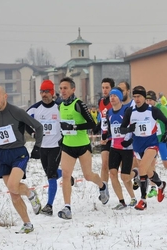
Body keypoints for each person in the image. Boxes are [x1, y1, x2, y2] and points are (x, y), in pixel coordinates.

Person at [0, 85, 43, 233]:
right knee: (13, 194)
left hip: (18, 153)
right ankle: (27, 224)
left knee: (13, 186)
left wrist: (37, 147)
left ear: (5, 96)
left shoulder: (17, 112)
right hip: (2, 156)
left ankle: (30, 194)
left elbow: (38, 127)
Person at [57, 77, 109, 219]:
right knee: (66, 175)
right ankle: (67, 208)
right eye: (61, 88)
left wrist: (74, 127)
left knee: (88, 175)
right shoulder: (60, 105)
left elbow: (92, 124)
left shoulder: (78, 104)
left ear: (73, 89)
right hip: (68, 146)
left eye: (65, 88)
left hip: (83, 146)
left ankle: (102, 186)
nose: (63, 91)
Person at [26, 80, 74, 216]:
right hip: (43, 147)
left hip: (56, 146)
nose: (44, 94)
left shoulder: (59, 107)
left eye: (47, 92)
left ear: (52, 93)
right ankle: (66, 175)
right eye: (42, 92)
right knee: (49, 173)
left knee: (51, 175)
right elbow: (22, 121)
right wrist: (32, 133)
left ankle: (49, 206)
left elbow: (69, 120)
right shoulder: (35, 108)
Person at [120, 86, 167, 211]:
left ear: (144, 97)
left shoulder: (152, 110)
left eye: (139, 96)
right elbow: (122, 129)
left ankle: (143, 200)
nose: (136, 99)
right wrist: (128, 130)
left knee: (142, 168)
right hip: (137, 146)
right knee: (148, 173)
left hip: (151, 144)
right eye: (135, 96)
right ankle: (160, 185)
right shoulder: (130, 111)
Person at [104, 87, 138, 209]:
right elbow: (109, 127)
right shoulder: (109, 112)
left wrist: (128, 140)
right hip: (114, 147)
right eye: (110, 96)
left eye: (115, 95)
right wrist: (105, 135)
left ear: (120, 97)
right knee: (112, 174)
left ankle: (133, 196)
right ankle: (122, 201)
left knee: (125, 177)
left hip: (127, 148)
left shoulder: (127, 110)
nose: (112, 98)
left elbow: (133, 126)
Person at [145, 90, 167, 182]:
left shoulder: (162, 108)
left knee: (166, 165)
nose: (148, 102)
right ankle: (153, 187)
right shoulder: (145, 110)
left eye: (150, 100)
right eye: (146, 100)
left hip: (162, 139)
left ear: (155, 100)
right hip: (151, 141)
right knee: (151, 164)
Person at [98, 78, 114, 184]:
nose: (105, 90)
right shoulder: (100, 101)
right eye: (103, 87)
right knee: (104, 164)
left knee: (119, 168)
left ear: (112, 88)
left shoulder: (116, 102)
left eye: (107, 88)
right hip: (105, 137)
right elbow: (102, 119)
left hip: (117, 137)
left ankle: (135, 176)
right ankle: (104, 188)